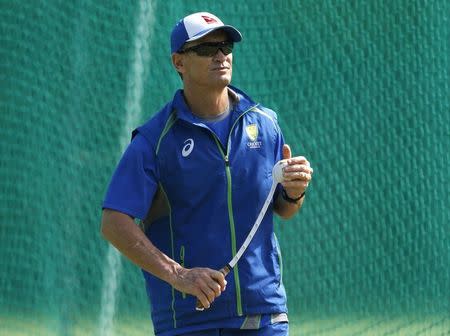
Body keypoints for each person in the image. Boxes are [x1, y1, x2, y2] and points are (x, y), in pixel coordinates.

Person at [101, 11, 313, 336]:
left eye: (225, 46)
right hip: (189, 321)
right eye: (205, 48)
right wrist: (179, 275)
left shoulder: (265, 124)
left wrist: (294, 192)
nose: (220, 55)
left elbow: (283, 209)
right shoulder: (155, 140)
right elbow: (114, 222)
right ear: (178, 62)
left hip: (264, 314)